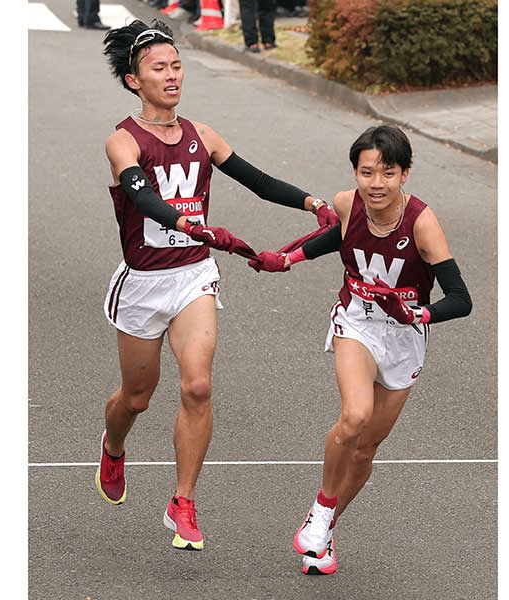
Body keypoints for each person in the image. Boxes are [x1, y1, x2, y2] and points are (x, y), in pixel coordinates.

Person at [95, 19, 338, 552]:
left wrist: (313, 203)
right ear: (135, 81)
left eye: (177, 65)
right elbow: (140, 195)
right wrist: (185, 222)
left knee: (198, 385)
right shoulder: (122, 142)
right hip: (143, 282)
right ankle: (114, 448)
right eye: (159, 68)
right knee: (136, 397)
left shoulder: (202, 136)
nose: (172, 75)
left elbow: (259, 181)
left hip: (193, 276)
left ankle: (182, 501)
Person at [248, 125, 473, 574]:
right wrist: (288, 259)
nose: (375, 184)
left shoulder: (422, 224)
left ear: (404, 174)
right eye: (366, 172)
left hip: (405, 334)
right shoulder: (348, 204)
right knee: (354, 417)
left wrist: (417, 315)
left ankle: (324, 527)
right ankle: (321, 508)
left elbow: (460, 298)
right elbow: (340, 237)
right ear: (355, 173)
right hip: (357, 323)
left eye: (387, 173)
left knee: (366, 449)